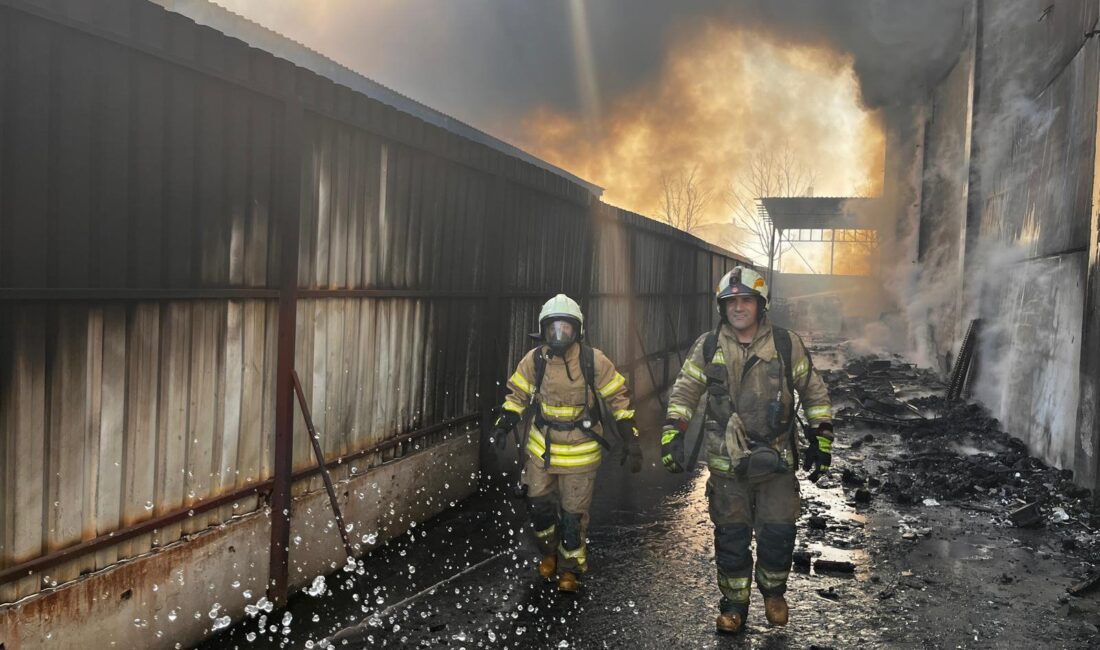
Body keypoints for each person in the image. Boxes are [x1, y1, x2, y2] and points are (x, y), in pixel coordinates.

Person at [660, 267, 834, 633]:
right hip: (728, 466)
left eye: (746, 300)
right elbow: (685, 392)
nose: (739, 307)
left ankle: (773, 596)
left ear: (760, 305)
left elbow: (814, 390)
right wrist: (673, 435)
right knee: (732, 538)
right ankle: (734, 607)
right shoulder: (708, 346)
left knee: (777, 534)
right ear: (722, 308)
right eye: (731, 302)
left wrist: (822, 438)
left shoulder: (785, 344)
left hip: (777, 463)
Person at [489, 294, 642, 593]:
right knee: (539, 509)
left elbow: (618, 399)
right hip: (542, 450)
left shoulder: (593, 361)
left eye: (566, 328)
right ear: (543, 330)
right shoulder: (534, 361)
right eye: (553, 328)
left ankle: (570, 568)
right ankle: (549, 553)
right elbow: (516, 398)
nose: (559, 335)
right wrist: (502, 427)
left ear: (577, 331)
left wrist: (631, 437)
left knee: (573, 516)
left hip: (580, 453)